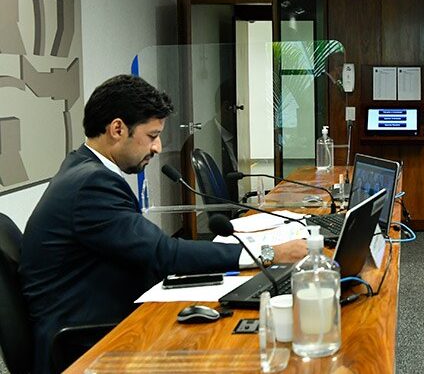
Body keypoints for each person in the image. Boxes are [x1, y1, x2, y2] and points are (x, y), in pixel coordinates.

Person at [19, 75, 308, 373]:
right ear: (117, 129)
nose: (157, 147)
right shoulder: (92, 184)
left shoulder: (82, 168)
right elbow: (162, 253)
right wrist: (270, 254)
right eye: (152, 135)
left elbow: (149, 252)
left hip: (100, 316)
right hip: (87, 342)